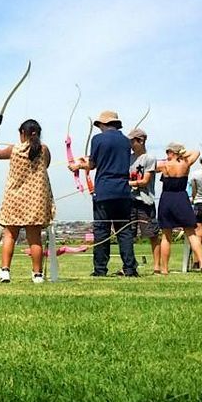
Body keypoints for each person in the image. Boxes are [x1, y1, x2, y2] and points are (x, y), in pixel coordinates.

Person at [68, 110, 139, 277]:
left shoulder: (98, 139)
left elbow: (92, 164)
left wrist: (77, 166)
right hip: (123, 190)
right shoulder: (125, 141)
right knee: (124, 231)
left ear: (104, 124)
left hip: (105, 190)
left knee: (102, 230)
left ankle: (100, 269)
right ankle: (130, 268)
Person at [0, 118, 55, 283]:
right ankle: (37, 275)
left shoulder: (14, 149)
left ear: (23, 133)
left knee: (10, 235)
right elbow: (46, 164)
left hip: (15, 199)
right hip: (36, 200)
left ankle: (5, 272)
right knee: (35, 238)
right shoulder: (44, 150)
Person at [154, 143, 202, 272]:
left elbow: (151, 165)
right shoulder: (186, 163)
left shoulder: (164, 165)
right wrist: (182, 154)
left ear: (171, 152)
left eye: (168, 152)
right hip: (181, 197)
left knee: (166, 236)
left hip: (167, 198)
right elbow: (196, 151)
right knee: (191, 232)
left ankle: (164, 268)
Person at [127, 129, 158, 270]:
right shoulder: (128, 158)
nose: (130, 144)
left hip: (145, 201)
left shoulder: (149, 158)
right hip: (130, 200)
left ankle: (157, 266)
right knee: (128, 235)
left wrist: (128, 183)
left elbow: (145, 181)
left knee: (152, 234)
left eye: (132, 141)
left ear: (141, 141)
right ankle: (130, 265)